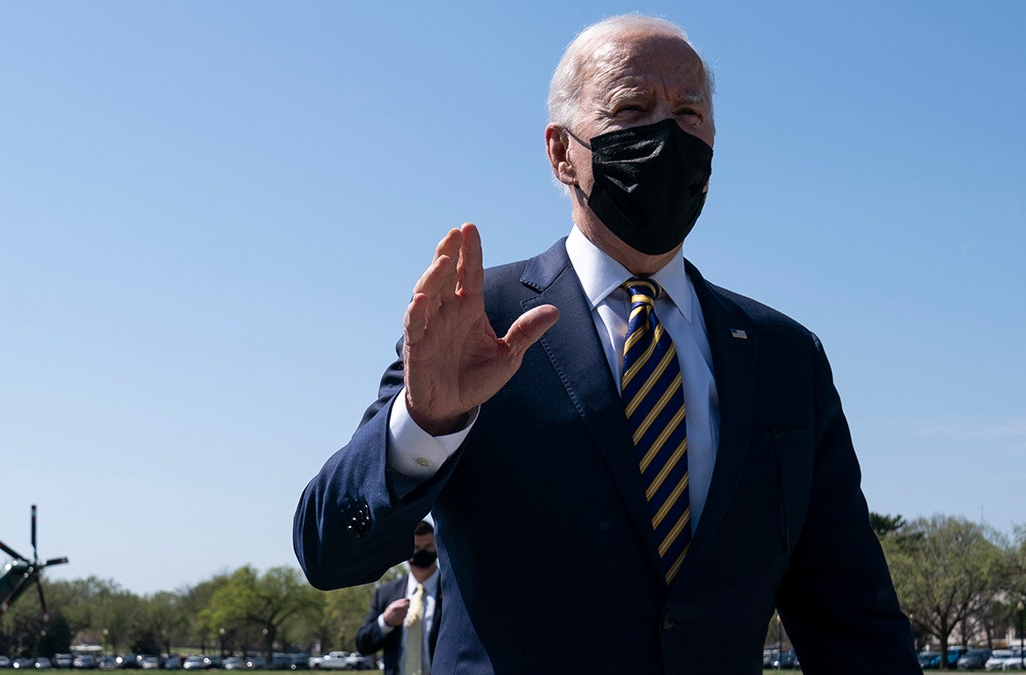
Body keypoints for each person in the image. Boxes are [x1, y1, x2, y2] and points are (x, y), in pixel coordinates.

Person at [294, 13, 920, 674]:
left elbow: (853, 618)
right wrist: (424, 426)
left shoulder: (784, 356)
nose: (666, 133)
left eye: (687, 112)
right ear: (562, 152)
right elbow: (329, 550)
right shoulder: (479, 321)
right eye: (631, 108)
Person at [355, 521, 441, 675]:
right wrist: (385, 622)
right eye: (415, 548)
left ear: (437, 546)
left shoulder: (454, 592)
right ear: (405, 549)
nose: (422, 553)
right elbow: (363, 644)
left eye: (427, 547)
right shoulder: (386, 593)